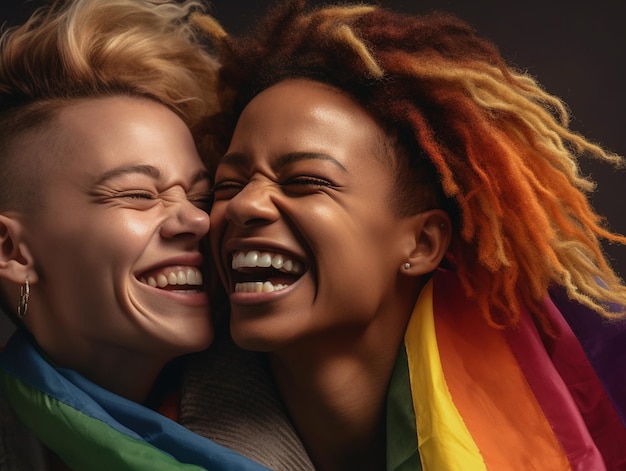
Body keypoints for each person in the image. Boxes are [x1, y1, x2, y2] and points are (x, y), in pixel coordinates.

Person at [193, 0, 626, 469]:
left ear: (421, 244)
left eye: (304, 182)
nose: (244, 204)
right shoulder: (151, 435)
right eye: (228, 185)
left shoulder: (577, 417)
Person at [0, 0, 282, 469]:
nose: (196, 221)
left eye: (199, 196)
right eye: (137, 194)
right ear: (12, 250)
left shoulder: (297, 408)